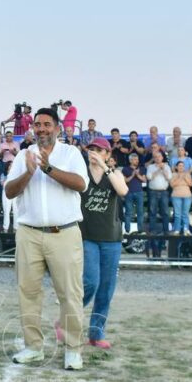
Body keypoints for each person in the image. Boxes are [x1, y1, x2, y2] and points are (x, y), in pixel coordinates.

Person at [4, 108, 88, 370]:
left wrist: (48, 168)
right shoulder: (23, 156)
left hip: (64, 233)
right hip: (29, 233)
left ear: (57, 128)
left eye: (47, 124)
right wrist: (29, 173)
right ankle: (33, 347)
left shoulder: (70, 153)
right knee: (28, 293)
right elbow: (9, 191)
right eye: (38, 124)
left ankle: (73, 349)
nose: (41, 129)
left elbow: (81, 184)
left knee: (70, 293)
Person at [79, 136, 127, 349]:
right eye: (92, 149)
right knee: (91, 282)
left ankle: (96, 334)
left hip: (111, 238)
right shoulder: (82, 174)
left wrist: (105, 168)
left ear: (108, 155)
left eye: (99, 150)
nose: (94, 153)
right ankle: (67, 318)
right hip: (87, 237)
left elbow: (123, 191)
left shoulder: (115, 174)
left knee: (106, 289)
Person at [121, 153, 145, 234]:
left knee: (140, 212)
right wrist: (132, 175)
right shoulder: (125, 169)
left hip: (139, 192)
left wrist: (137, 174)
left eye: (137, 159)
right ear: (130, 160)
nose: (137, 161)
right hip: (129, 192)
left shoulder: (141, 168)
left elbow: (144, 180)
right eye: (135, 159)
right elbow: (125, 180)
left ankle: (140, 230)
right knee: (128, 212)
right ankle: (127, 230)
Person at [170, 161, 192, 235]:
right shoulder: (173, 174)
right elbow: (172, 185)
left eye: (182, 166)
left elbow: (190, 184)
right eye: (179, 166)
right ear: (176, 167)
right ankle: (177, 229)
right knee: (177, 214)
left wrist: (185, 177)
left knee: (185, 213)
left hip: (187, 196)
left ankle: (186, 229)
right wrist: (180, 178)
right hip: (176, 196)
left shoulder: (187, 174)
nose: (181, 167)